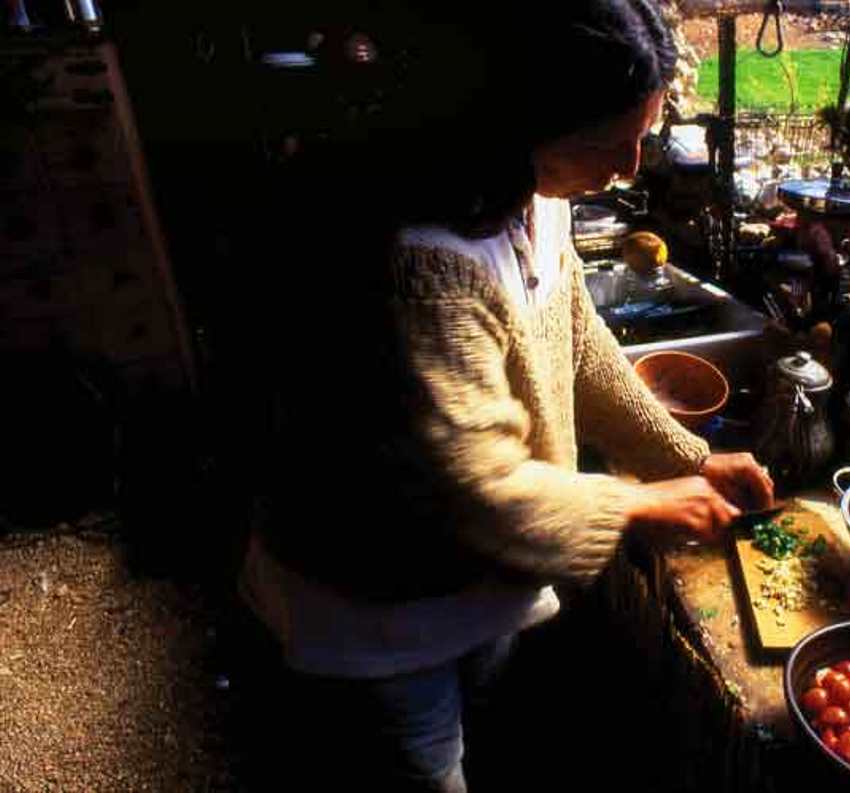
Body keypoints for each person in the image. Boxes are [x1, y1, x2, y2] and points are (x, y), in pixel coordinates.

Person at [233, 2, 772, 790]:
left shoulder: (533, 193)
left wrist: (689, 457)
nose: (628, 167)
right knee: (421, 767)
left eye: (643, 137)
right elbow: (476, 490)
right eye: (606, 142)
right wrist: (637, 505)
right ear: (519, 119)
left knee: (498, 726)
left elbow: (578, 340)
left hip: (479, 573)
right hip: (385, 602)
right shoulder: (421, 260)